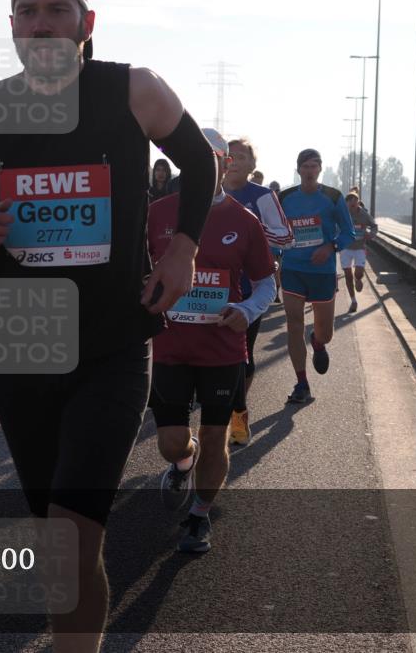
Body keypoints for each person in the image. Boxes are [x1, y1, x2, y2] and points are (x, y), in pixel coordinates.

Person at [0, 0, 216, 652]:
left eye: (58, 9)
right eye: (28, 11)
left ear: (86, 24)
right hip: (23, 346)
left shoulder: (132, 89)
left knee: (71, 531)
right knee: (58, 548)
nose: (42, 23)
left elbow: (200, 160)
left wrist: (182, 249)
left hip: (112, 345)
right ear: (12, 28)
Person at [149, 129, 275, 552]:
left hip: (222, 348)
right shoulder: (157, 214)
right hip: (170, 346)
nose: (206, 164)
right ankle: (184, 461)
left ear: (224, 162)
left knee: (218, 436)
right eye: (195, 157)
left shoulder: (244, 220)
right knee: (169, 443)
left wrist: (246, 311)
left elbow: (264, 284)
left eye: (214, 157)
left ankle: (199, 516)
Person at [222, 138, 292, 445]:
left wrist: (248, 227)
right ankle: (218, 410)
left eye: (241, 156)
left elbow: (286, 236)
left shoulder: (262, 197)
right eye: (230, 155)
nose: (234, 161)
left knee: (240, 354)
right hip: (208, 286)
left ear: (253, 165)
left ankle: (237, 411)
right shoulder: (210, 189)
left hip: (251, 289)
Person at [278, 149, 355, 404]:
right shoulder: (285, 197)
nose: (310, 171)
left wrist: (331, 247)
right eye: (305, 166)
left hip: (321, 273)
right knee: (294, 323)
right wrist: (273, 256)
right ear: (298, 169)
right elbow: (274, 230)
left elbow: (348, 233)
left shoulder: (333, 197)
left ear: (320, 170)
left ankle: (318, 344)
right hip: (292, 270)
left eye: (314, 166)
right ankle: (302, 382)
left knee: (325, 333)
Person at [340, 189, 378, 313]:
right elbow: (334, 227)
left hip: (360, 248)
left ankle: (358, 279)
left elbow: (374, 226)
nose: (352, 205)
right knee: (347, 275)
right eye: (349, 203)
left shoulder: (364, 214)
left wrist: (371, 235)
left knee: (359, 273)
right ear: (346, 204)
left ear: (358, 202)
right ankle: (353, 301)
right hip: (346, 248)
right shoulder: (342, 214)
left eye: (354, 202)